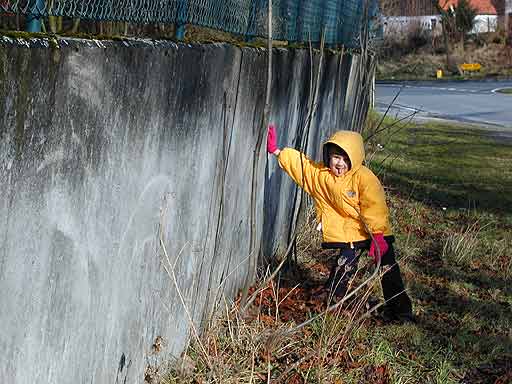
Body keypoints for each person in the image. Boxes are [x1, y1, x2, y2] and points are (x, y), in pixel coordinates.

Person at [267, 124, 413, 323]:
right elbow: (303, 168)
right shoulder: (322, 176)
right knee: (342, 269)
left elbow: (375, 205)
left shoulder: (364, 178)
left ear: (354, 159)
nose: (340, 163)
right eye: (336, 157)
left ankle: (401, 312)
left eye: (346, 159)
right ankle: (332, 309)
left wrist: (377, 235)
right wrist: (277, 151)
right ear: (329, 156)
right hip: (351, 234)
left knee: (388, 271)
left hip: (375, 233)